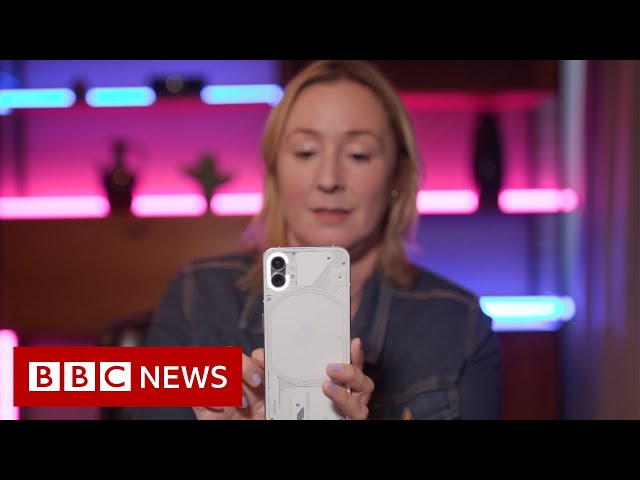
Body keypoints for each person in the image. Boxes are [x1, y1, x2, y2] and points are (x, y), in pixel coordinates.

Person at [132, 60, 502, 420]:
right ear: (275, 171)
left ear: (397, 176)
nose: (328, 179)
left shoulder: (461, 325)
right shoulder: (195, 297)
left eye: (358, 155)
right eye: (306, 152)